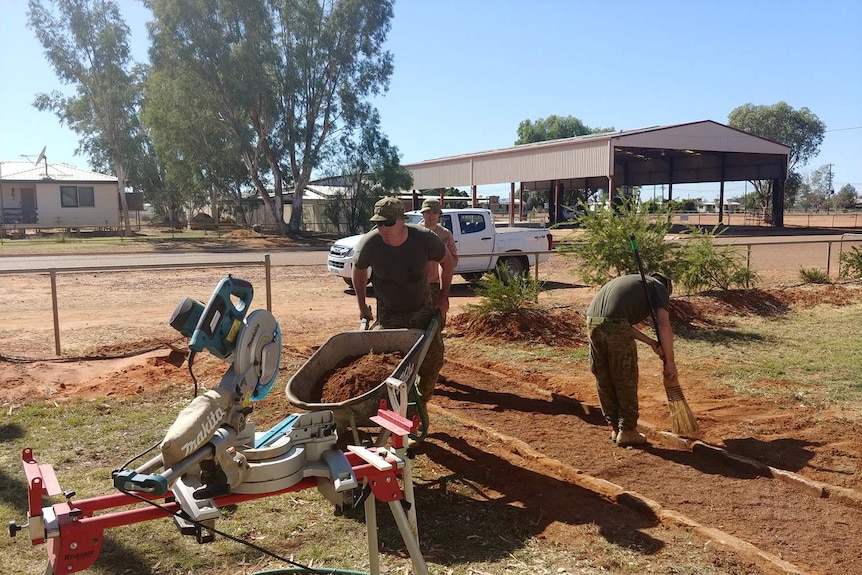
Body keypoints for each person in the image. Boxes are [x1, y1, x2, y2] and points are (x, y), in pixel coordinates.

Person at [352, 196, 455, 411]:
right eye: (378, 223)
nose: (382, 228)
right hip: (389, 313)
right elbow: (358, 269)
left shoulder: (425, 239)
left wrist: (444, 296)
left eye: (388, 223)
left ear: (402, 221)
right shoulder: (369, 243)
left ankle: (421, 403)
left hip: (422, 309)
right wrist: (362, 305)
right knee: (381, 362)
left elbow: (447, 261)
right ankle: (389, 405)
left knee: (433, 359)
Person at [585, 272, 677, 446]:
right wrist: (670, 363)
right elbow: (663, 324)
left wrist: (650, 342)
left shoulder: (635, 281)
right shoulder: (659, 288)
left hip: (592, 322)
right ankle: (627, 430)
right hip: (614, 323)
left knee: (604, 377)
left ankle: (615, 427)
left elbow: (617, 322)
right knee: (624, 377)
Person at [419, 198, 458, 305]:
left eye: (435, 212)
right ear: (422, 214)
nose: (431, 216)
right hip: (416, 284)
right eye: (428, 212)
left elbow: (454, 260)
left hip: (436, 285)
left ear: (439, 214)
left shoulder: (445, 234)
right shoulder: (414, 233)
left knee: (437, 318)